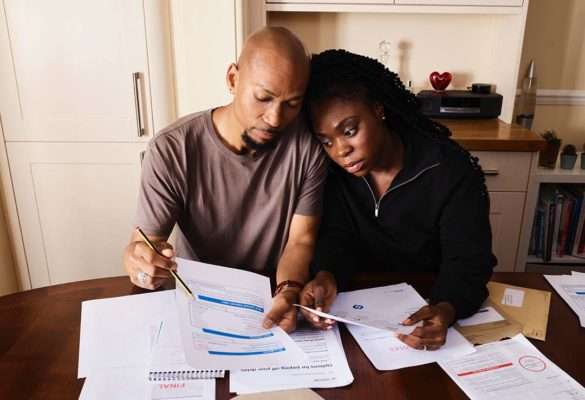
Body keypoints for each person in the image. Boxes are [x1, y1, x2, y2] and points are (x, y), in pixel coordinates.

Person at [123, 27, 327, 332]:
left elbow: (301, 240)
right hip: (196, 302)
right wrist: (141, 263)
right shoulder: (172, 149)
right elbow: (146, 244)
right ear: (233, 79)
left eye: (292, 104)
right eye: (263, 98)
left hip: (269, 301)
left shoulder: (307, 150)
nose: (274, 118)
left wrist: (288, 290)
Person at [299, 49, 496, 350]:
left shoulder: (449, 169)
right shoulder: (333, 174)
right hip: (355, 322)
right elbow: (337, 239)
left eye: (350, 131)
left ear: (378, 109)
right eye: (326, 141)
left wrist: (445, 309)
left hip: (428, 311)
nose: (340, 150)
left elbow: (469, 262)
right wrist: (327, 276)